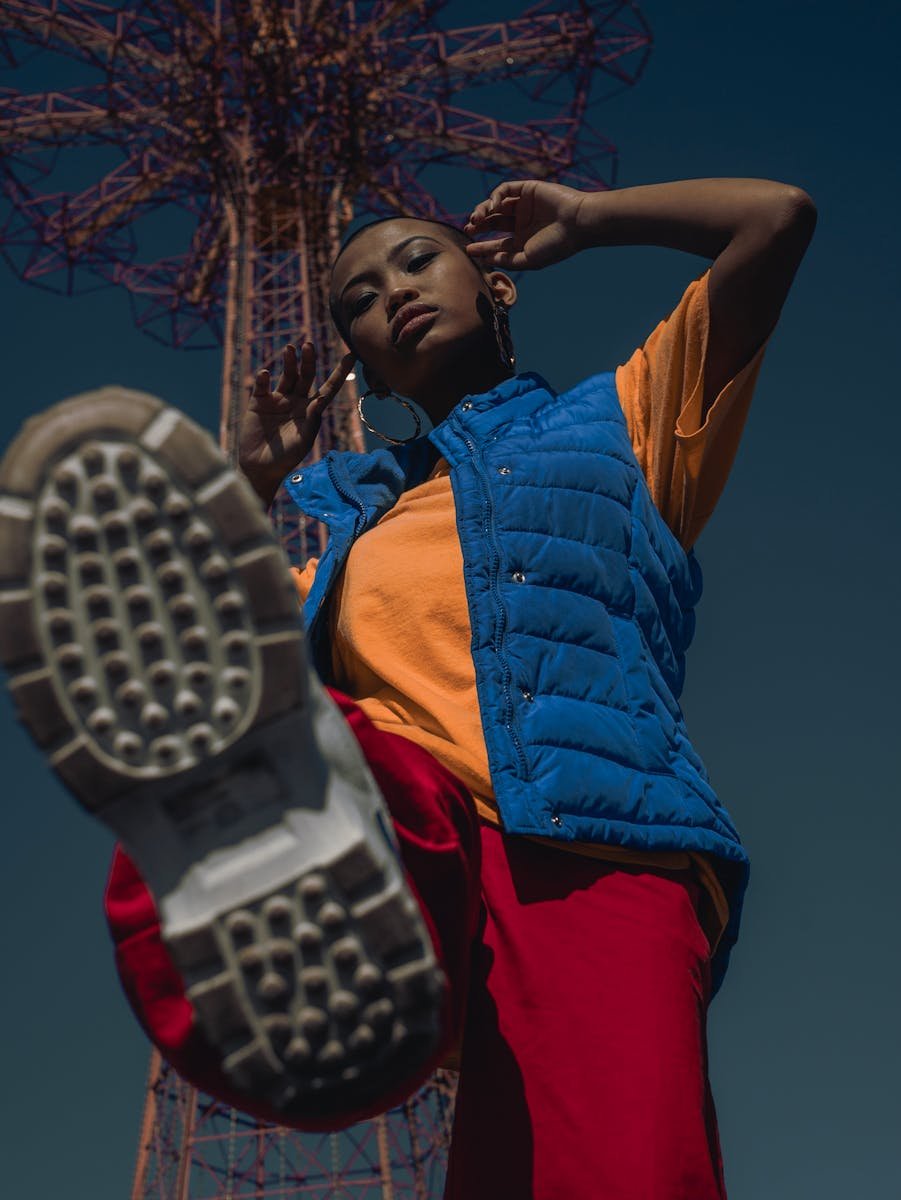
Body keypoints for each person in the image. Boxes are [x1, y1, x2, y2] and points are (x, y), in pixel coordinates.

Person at [0, 177, 814, 1199]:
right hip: (424, 870)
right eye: (356, 301)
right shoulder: (342, 556)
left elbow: (775, 217)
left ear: (491, 281)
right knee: (281, 726)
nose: (390, 293)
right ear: (359, 357)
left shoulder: (623, 423)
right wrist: (247, 482)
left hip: (591, 850)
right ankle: (289, 975)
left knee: (621, 1172)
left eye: (416, 261)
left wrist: (592, 221)